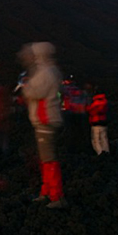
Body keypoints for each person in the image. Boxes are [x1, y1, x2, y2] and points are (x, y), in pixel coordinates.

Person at [18, 42, 67, 209]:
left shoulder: (45, 73)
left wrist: (26, 87)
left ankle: (56, 197)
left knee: (49, 160)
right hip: (47, 120)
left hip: (45, 121)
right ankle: (46, 192)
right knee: (45, 159)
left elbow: (33, 91)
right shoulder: (52, 70)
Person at [86, 89, 110, 155]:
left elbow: (90, 111)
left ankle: (100, 154)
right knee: (104, 139)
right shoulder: (105, 102)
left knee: (96, 140)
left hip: (95, 123)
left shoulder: (95, 103)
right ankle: (107, 152)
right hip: (104, 123)